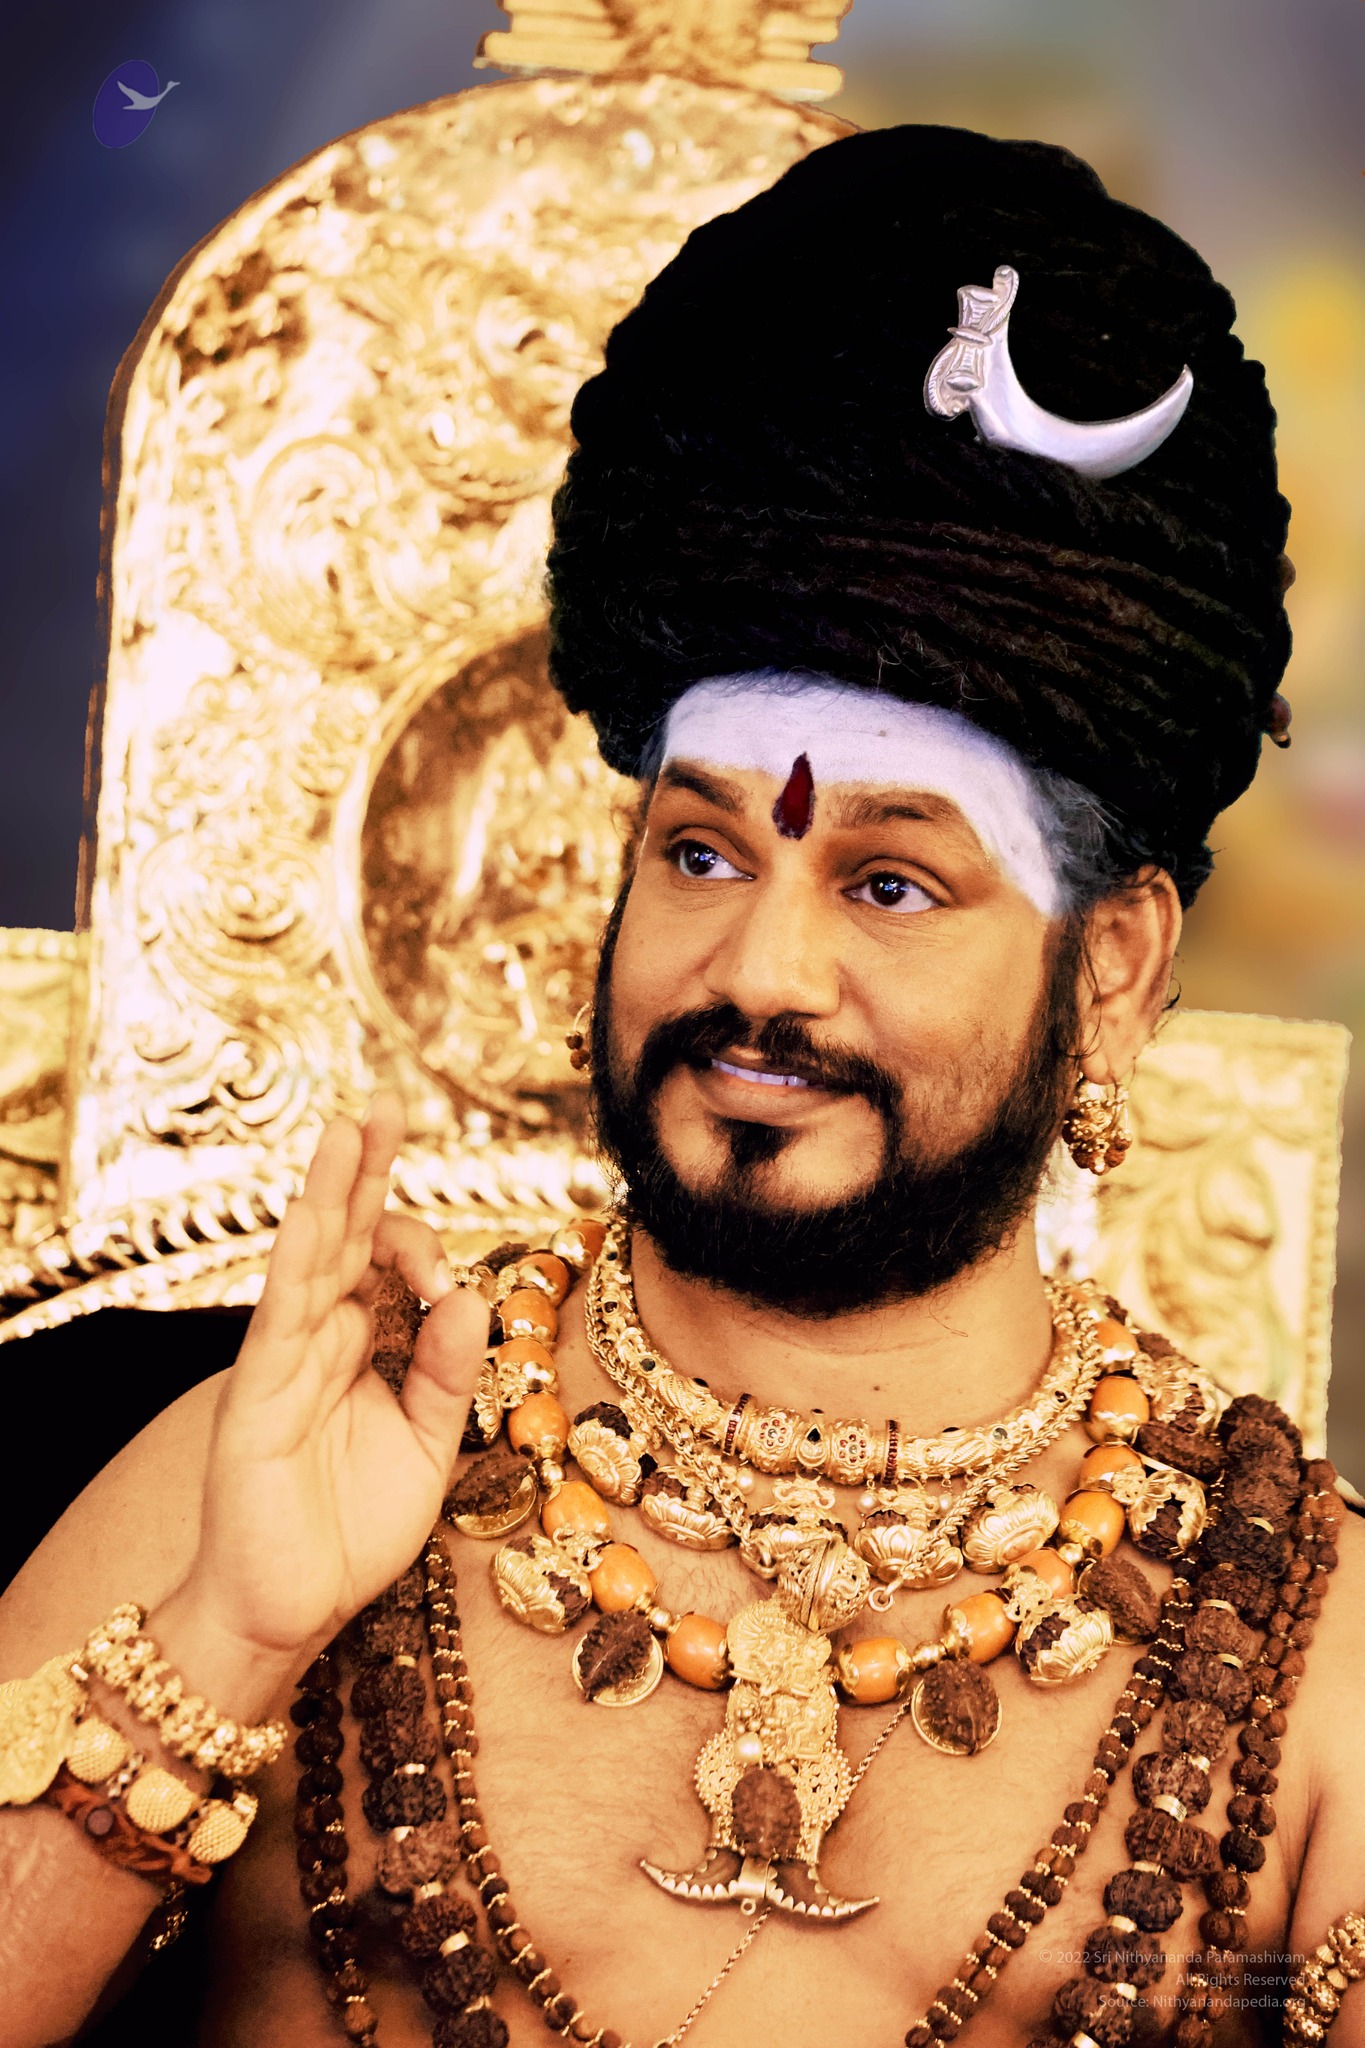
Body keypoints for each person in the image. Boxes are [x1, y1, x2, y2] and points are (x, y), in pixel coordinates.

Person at [1, 122, 1361, 2048]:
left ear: (1112, 970)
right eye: (704, 853)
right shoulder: (286, 1473)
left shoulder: (1300, 1648)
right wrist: (233, 1634)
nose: (758, 973)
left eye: (889, 884)